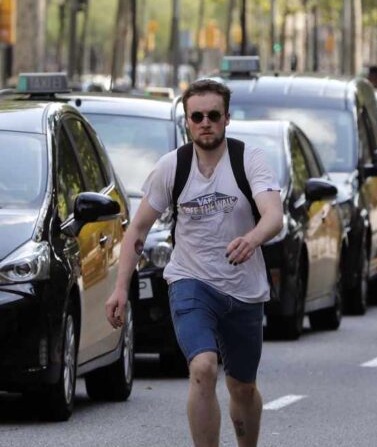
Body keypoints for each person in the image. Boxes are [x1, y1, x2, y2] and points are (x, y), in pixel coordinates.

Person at [105, 79, 283, 447]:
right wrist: (120, 288)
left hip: (244, 288)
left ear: (226, 119)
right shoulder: (172, 167)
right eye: (197, 116)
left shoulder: (248, 159)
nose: (205, 123)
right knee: (203, 368)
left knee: (242, 387)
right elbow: (137, 230)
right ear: (187, 121)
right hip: (191, 281)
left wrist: (251, 239)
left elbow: (273, 215)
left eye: (213, 115)